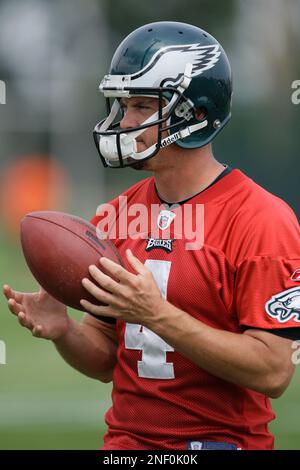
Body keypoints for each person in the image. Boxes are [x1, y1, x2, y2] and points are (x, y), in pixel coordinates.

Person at [3, 21, 300, 451]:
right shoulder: (118, 214)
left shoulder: (262, 220)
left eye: (142, 105)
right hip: (124, 448)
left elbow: (273, 372)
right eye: (124, 105)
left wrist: (158, 314)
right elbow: (106, 357)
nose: (126, 120)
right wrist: (64, 332)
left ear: (194, 114)